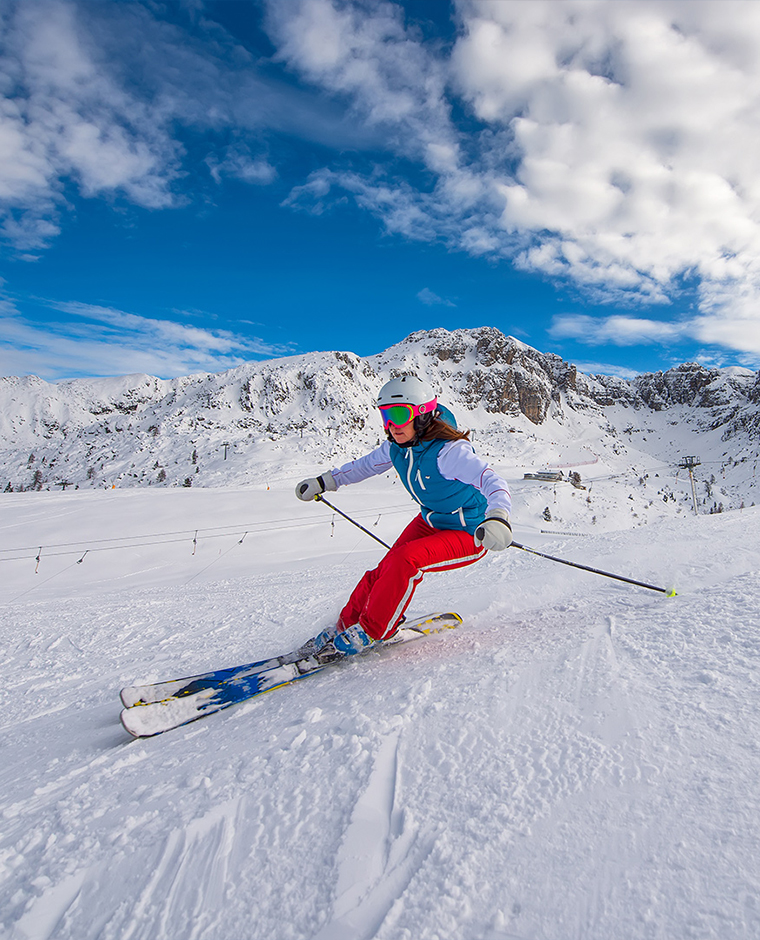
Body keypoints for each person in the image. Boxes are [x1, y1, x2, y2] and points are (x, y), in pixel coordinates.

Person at [295, 375, 512, 662]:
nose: (391, 425)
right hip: (431, 522)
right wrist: (324, 482)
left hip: (470, 530)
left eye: (399, 415)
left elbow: (492, 481)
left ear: (421, 415)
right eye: (386, 416)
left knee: (405, 560)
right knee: (385, 568)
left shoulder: (449, 452)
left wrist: (498, 518)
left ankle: (374, 630)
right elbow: (363, 467)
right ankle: (345, 625)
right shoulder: (397, 447)